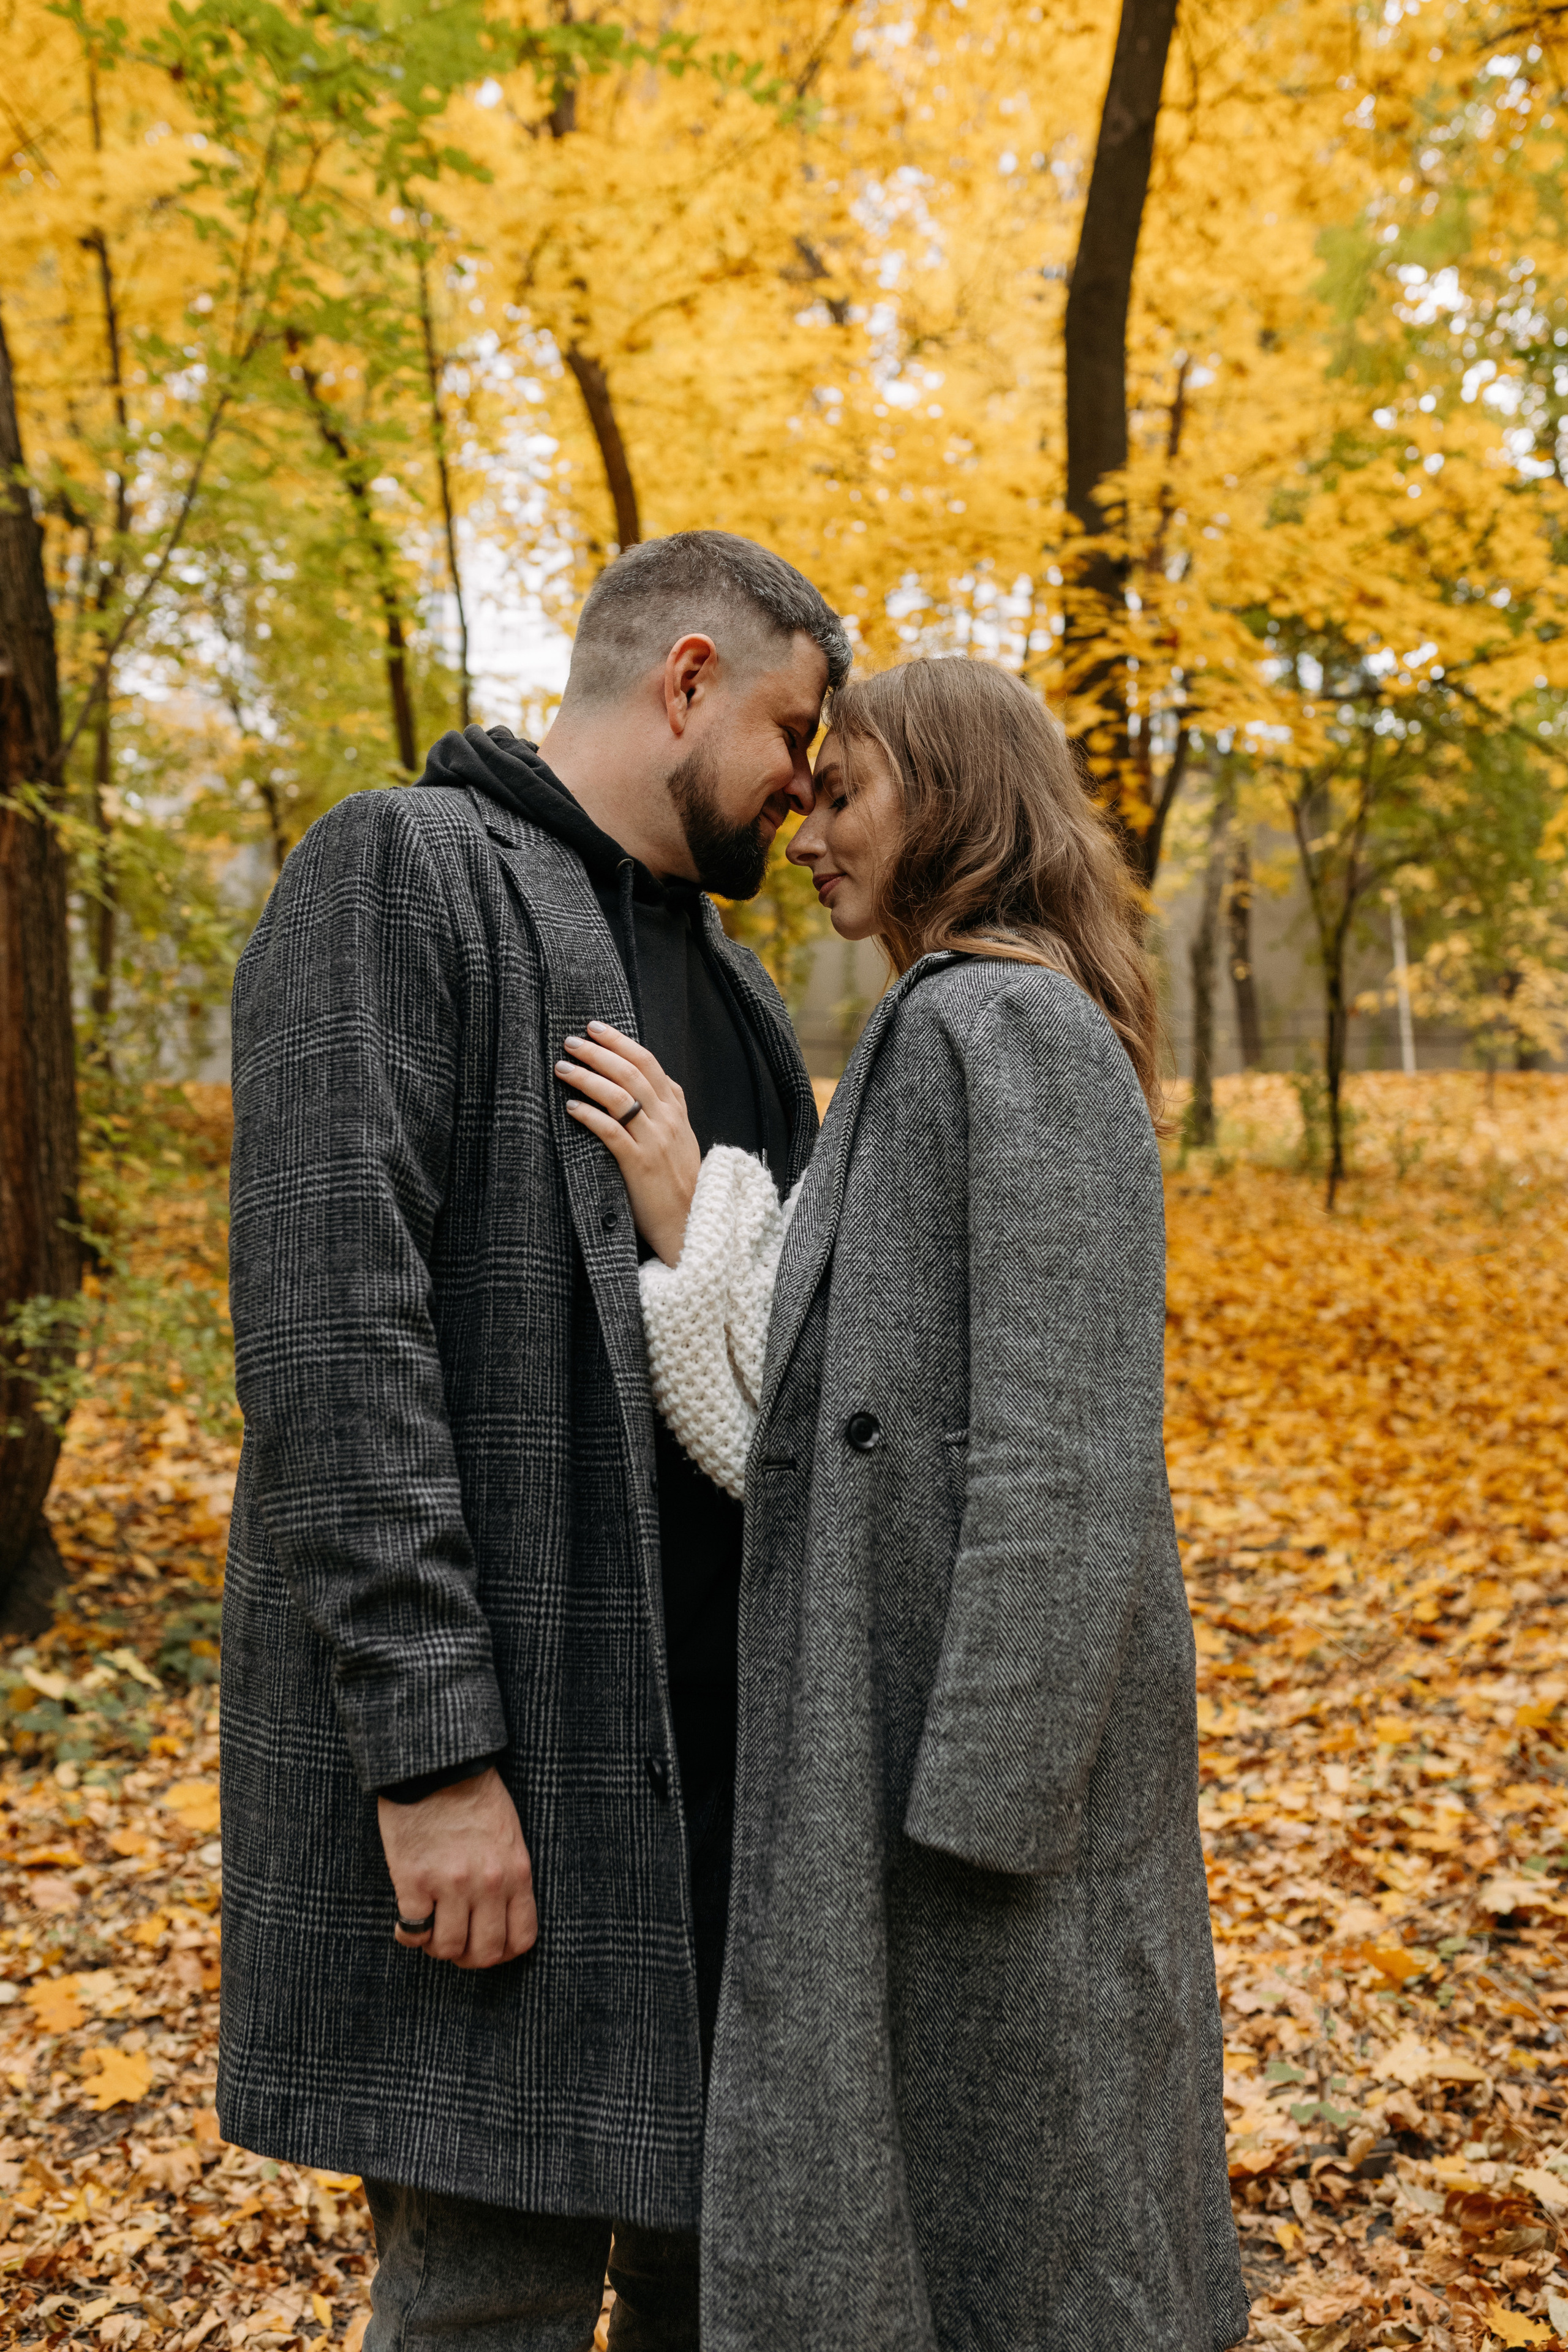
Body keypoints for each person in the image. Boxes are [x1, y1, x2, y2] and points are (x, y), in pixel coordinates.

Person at [556, 657, 1250, 2352]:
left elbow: (1066, 1448)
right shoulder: (931, 1025)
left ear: (955, 798)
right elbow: (829, 1406)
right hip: (902, 1748)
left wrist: (984, 1807)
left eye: (842, 792)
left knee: (1046, 2236)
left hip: (981, 1778)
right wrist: (690, 1205)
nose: (804, 831)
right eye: (803, 797)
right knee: (962, 2235)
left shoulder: (1006, 1024)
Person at [219, 531, 851, 2351]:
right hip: (509, 1794)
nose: (807, 783)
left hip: (717, 1808)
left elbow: (772, 1365)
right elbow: (335, 1340)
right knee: (486, 2305)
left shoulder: (733, 996)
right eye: (793, 727)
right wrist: (432, 1767)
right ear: (689, 681)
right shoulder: (405, 875)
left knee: (719, 2300)